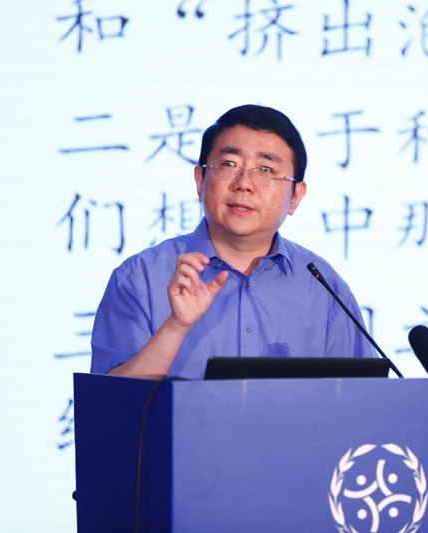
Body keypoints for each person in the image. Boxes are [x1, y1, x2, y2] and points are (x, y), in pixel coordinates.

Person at [91, 104, 375, 378]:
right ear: (200, 180)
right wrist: (176, 327)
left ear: (296, 196)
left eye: (266, 170)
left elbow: (365, 397)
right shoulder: (140, 278)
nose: (244, 184)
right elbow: (108, 402)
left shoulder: (323, 286)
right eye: (229, 164)